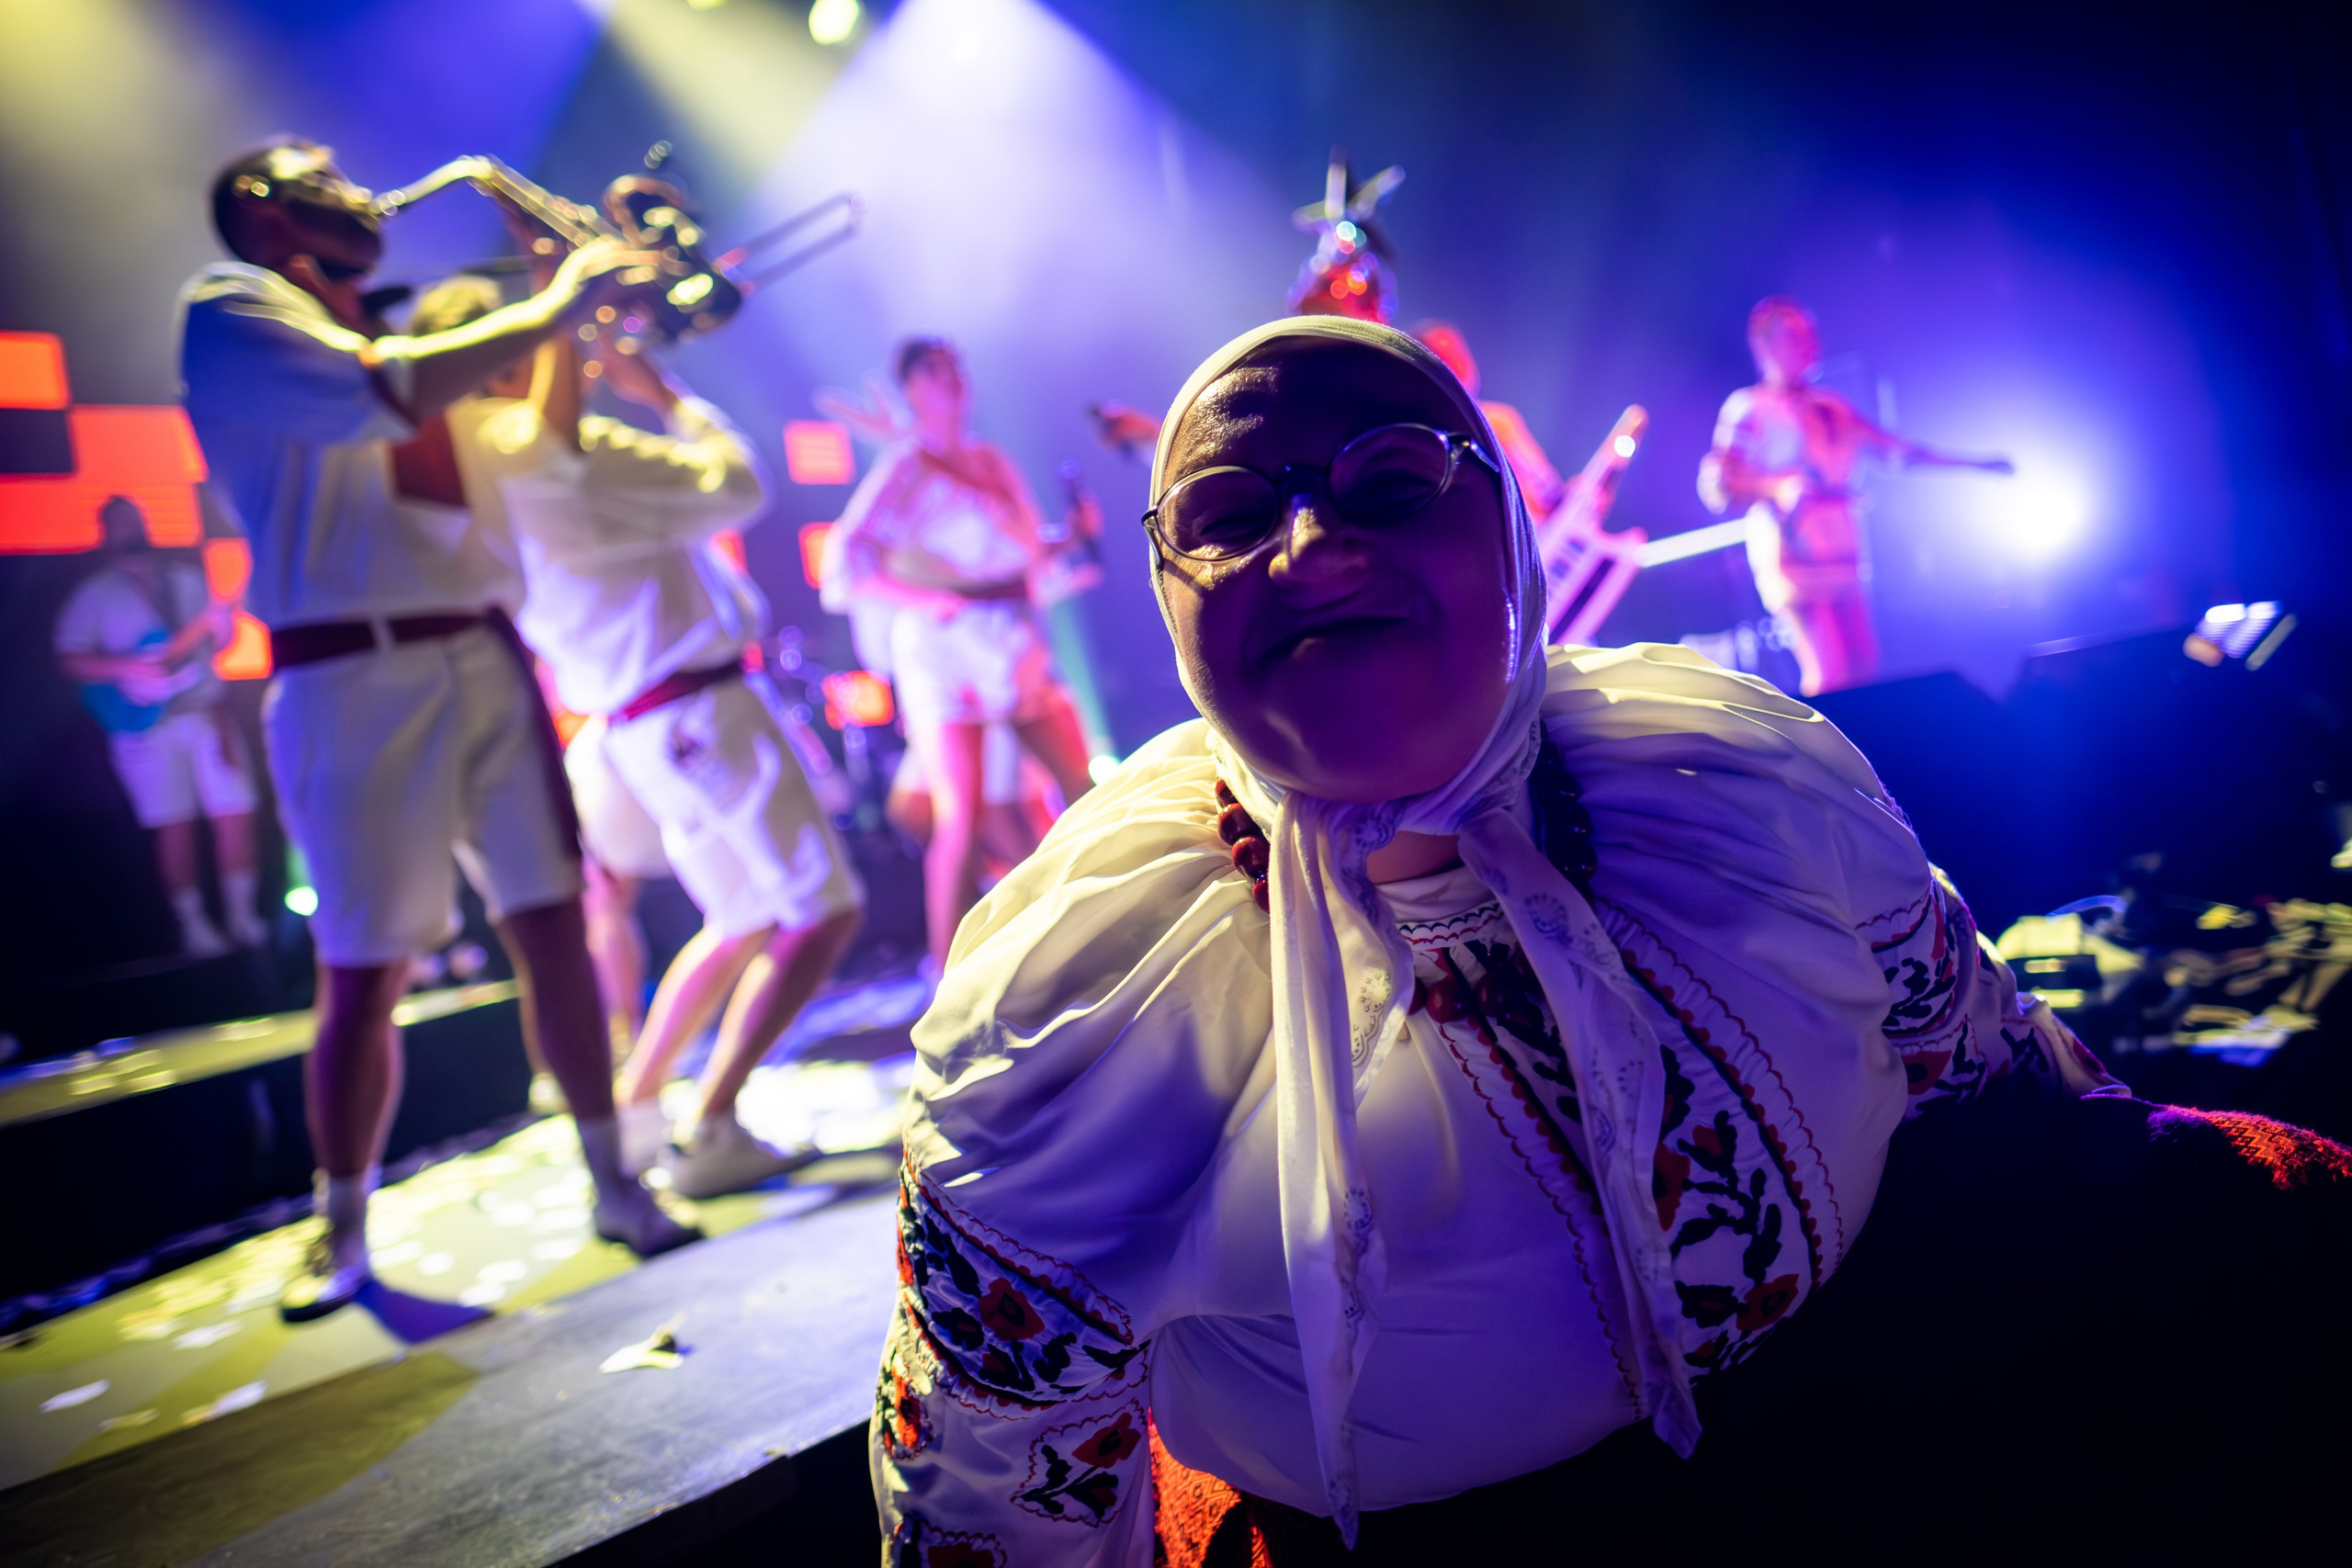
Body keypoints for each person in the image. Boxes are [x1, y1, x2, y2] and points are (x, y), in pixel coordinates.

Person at [862, 318, 2352, 1563]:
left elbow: (1997, 1086)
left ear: (1501, 525)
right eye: (1230, 514)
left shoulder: (1741, 774)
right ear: (1166, 590)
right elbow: (990, 1521)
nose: (1311, 541)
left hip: (1908, 1436)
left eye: (1389, 478)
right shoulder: (1068, 1016)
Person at [177, 141, 695, 1322]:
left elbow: (545, 446)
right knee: (364, 969)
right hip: (344, 675)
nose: (359, 186)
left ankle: (616, 1179)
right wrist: (558, 298)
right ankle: (341, 1220)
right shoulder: (232, 307)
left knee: (554, 928)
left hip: (480, 651)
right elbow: (381, 388)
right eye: (322, 174)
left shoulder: (425, 343)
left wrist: (558, 308)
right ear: (266, 209)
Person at [420, 278, 865, 1198]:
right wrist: (661, 393)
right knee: (825, 910)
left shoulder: (482, 476)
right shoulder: (568, 462)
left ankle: (640, 1101)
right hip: (698, 707)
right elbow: (739, 487)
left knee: (741, 918)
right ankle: (708, 1122)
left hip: (646, 724)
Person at [820, 338, 1096, 968]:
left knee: (1080, 784)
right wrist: (924, 598)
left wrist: (1070, 537)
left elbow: (1021, 555)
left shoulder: (992, 461)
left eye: (958, 367)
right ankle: (947, 977)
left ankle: (1105, 930)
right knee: (961, 814)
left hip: (1011, 639)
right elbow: (847, 561)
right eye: (937, 371)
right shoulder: (905, 468)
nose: (954, 380)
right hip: (946, 650)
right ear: (913, 388)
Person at [1699, 297, 2011, 696]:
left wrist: (1972, 464)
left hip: (1844, 555)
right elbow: (1717, 485)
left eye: (1810, 337)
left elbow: (1895, 452)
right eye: (1795, 337)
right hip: (1793, 558)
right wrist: (1778, 486)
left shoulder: (1831, 406)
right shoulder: (1749, 408)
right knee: (1829, 673)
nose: (1809, 346)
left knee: (1864, 665)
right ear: (1765, 345)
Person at [54, 493, 268, 955]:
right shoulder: (96, 595)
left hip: (206, 715)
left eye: (137, 521)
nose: (132, 531)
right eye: (121, 524)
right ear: (106, 533)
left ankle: (242, 919)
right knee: (173, 824)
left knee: (236, 813)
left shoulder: (188, 580)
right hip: (144, 730)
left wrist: (222, 625)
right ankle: (193, 926)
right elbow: (70, 660)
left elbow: (218, 645)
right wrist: (129, 669)